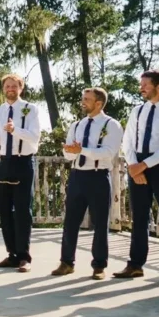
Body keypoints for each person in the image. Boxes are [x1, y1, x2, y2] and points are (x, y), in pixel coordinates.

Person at [113, 70, 159, 284]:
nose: (141, 88)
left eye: (145, 84)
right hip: (138, 166)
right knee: (139, 218)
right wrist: (134, 165)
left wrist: (144, 165)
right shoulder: (138, 110)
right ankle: (135, 265)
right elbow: (128, 140)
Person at [51, 88, 123, 281]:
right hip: (77, 176)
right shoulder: (76, 125)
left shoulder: (112, 125)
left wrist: (82, 149)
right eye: (83, 98)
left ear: (99, 103)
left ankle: (99, 266)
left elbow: (108, 152)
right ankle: (67, 262)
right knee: (70, 222)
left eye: (87, 99)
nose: (83, 102)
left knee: (100, 224)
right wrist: (71, 151)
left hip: (98, 177)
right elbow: (68, 155)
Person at [0, 74, 42, 272]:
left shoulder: (30, 109)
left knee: (23, 210)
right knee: (5, 211)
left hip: (23, 162)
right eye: (7, 86)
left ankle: (24, 256)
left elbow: (35, 138)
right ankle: (11, 254)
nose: (10, 89)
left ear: (21, 87)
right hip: (3, 163)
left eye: (14, 86)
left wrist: (15, 130)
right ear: (3, 89)